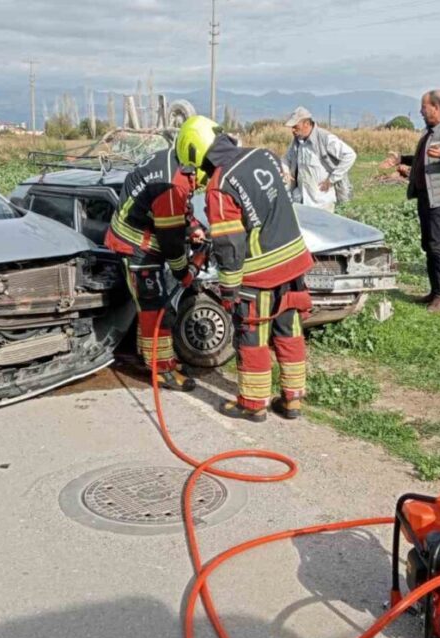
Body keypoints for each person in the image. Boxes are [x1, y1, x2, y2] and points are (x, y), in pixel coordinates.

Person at [176, 121, 313, 422]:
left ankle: (253, 404)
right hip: (293, 263)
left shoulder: (219, 186)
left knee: (252, 336)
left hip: (261, 272)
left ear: (196, 152)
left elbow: (229, 245)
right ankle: (293, 401)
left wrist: (228, 291)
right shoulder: (261, 155)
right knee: (288, 331)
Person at [103, 117, 208, 391]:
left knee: (151, 306)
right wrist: (185, 271)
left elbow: (177, 210)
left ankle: (149, 357)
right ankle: (161, 370)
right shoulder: (172, 184)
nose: (201, 185)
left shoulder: (172, 161)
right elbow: (172, 244)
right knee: (155, 308)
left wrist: (193, 227)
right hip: (137, 246)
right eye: (202, 177)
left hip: (141, 236)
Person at [379, 89, 440, 313]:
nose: (421, 111)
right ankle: (434, 291)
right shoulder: (431, 131)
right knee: (429, 244)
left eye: (424, 107)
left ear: (436, 108)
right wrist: (401, 159)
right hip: (427, 195)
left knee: (437, 244)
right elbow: (422, 158)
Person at [282, 106, 357, 213]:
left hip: (322, 201)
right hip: (302, 199)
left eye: (296, 127)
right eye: (292, 127)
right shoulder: (297, 142)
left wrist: (332, 180)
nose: (293, 130)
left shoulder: (324, 138)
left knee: (324, 228)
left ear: (306, 124)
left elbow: (350, 155)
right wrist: (286, 171)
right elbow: (285, 158)